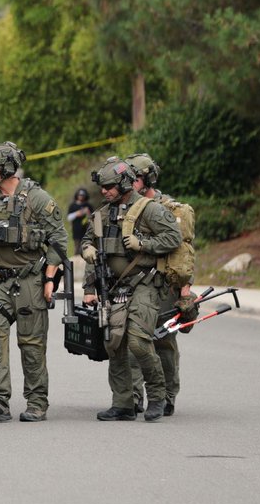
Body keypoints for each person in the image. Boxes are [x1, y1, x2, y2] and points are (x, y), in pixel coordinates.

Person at [0, 142, 67, 423]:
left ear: (7, 167)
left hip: (31, 281)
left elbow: (59, 240)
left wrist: (50, 278)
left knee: (31, 345)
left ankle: (37, 402)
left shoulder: (38, 199)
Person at [81, 157, 181, 422]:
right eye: (103, 187)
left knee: (138, 341)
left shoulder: (149, 210)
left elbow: (173, 238)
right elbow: (87, 241)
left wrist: (142, 244)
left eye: (110, 186)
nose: (105, 191)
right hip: (114, 289)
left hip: (145, 285)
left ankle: (157, 396)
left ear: (125, 183)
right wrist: (88, 250)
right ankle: (123, 403)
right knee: (115, 344)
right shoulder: (102, 213)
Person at [125, 152, 195, 416]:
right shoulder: (125, 208)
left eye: (135, 178)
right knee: (132, 341)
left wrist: (185, 292)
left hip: (165, 285)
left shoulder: (173, 211)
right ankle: (132, 397)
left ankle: (167, 395)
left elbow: (185, 252)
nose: (129, 182)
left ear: (148, 179)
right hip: (133, 285)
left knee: (164, 343)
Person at [67, 188, 94, 256]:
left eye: (83, 195)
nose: (81, 196)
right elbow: (69, 217)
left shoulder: (88, 206)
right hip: (76, 229)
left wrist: (87, 213)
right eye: (80, 195)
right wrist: (77, 213)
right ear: (77, 195)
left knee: (86, 245)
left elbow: (92, 218)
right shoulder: (73, 206)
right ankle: (76, 258)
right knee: (77, 245)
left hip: (86, 229)